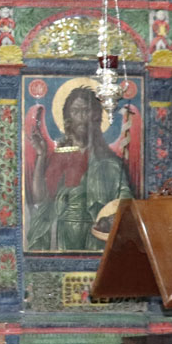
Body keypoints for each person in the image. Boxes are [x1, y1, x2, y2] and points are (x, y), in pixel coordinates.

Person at [25, 85, 133, 251]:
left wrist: (111, 217)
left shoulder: (110, 162)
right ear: (68, 117)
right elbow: (40, 198)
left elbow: (125, 200)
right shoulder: (59, 157)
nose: (81, 117)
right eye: (76, 111)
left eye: (86, 111)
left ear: (96, 115)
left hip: (97, 235)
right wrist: (41, 156)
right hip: (64, 233)